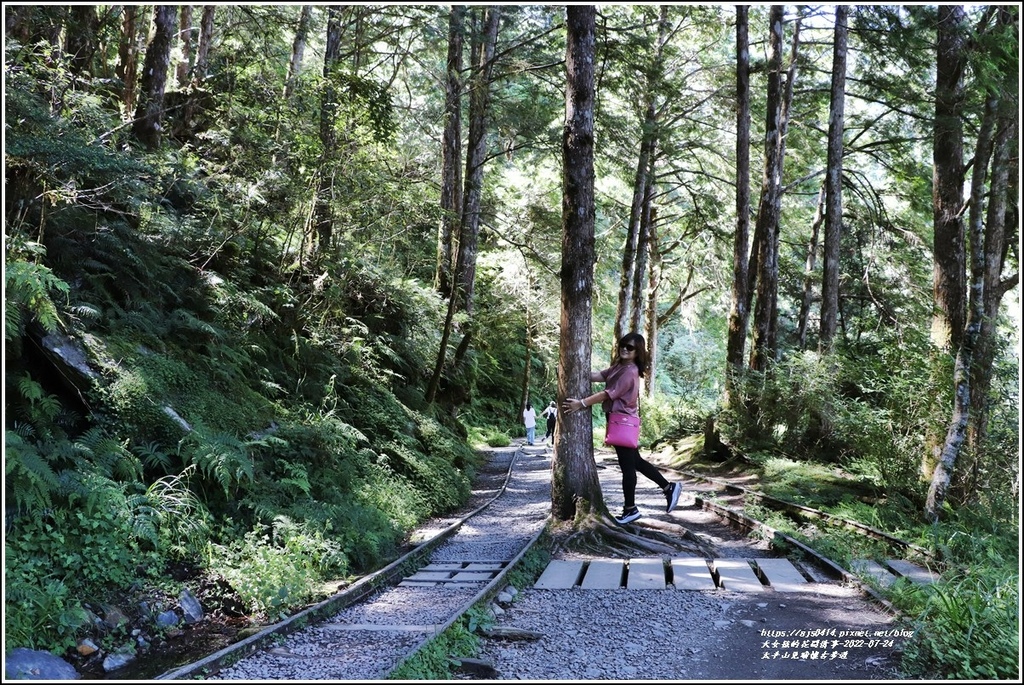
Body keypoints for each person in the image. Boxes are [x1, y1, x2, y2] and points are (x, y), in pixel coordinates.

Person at [562, 332, 682, 525]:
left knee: (628, 467)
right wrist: (575, 369)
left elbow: (607, 394)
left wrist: (581, 403)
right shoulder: (620, 366)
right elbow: (600, 376)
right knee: (636, 462)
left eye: (630, 347)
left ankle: (631, 509)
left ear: (637, 352)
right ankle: (668, 488)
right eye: (623, 345)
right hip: (619, 420)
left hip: (622, 421)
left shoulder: (629, 372)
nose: (624, 349)